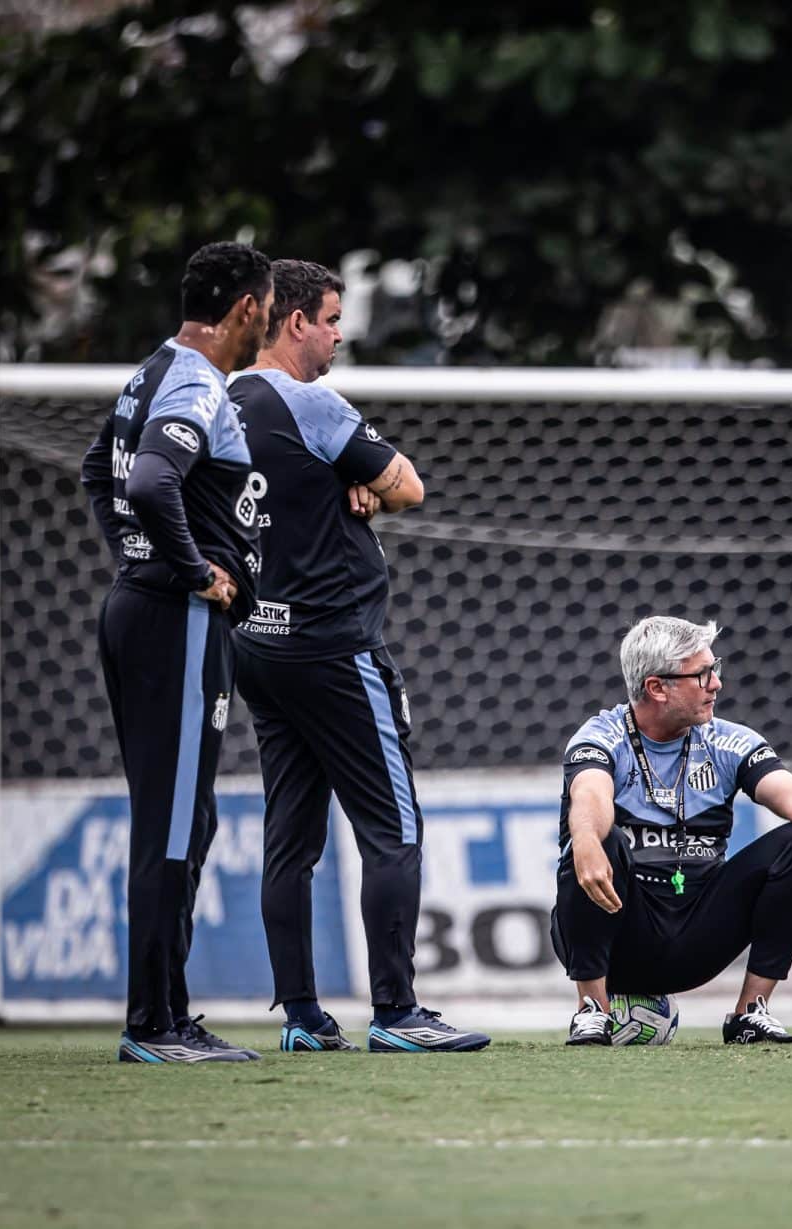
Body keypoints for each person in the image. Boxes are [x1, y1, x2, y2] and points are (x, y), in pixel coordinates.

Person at [229, 260, 490, 1054]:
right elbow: (408, 484)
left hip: (257, 641)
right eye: (333, 318)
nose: (341, 333)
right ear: (296, 320)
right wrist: (370, 483)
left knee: (292, 839)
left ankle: (303, 1016)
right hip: (334, 645)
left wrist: (350, 485)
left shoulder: (221, 399)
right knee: (393, 828)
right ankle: (397, 1011)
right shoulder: (309, 400)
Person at [80, 241, 273, 1063]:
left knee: (182, 819)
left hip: (143, 606)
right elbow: (153, 481)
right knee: (172, 826)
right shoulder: (195, 382)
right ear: (246, 310)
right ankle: (153, 1023)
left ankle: (167, 1014)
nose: (265, 317)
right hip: (176, 621)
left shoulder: (151, 370)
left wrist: (133, 558)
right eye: (265, 304)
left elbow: (100, 470)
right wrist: (192, 571)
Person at [552, 615, 792, 1045]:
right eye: (701, 674)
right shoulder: (601, 735)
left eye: (714, 668)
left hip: (695, 937)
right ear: (657, 688)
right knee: (591, 840)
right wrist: (588, 842)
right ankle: (592, 1010)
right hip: (617, 935)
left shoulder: (727, 741)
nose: (715, 683)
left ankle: (749, 1013)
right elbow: (590, 795)